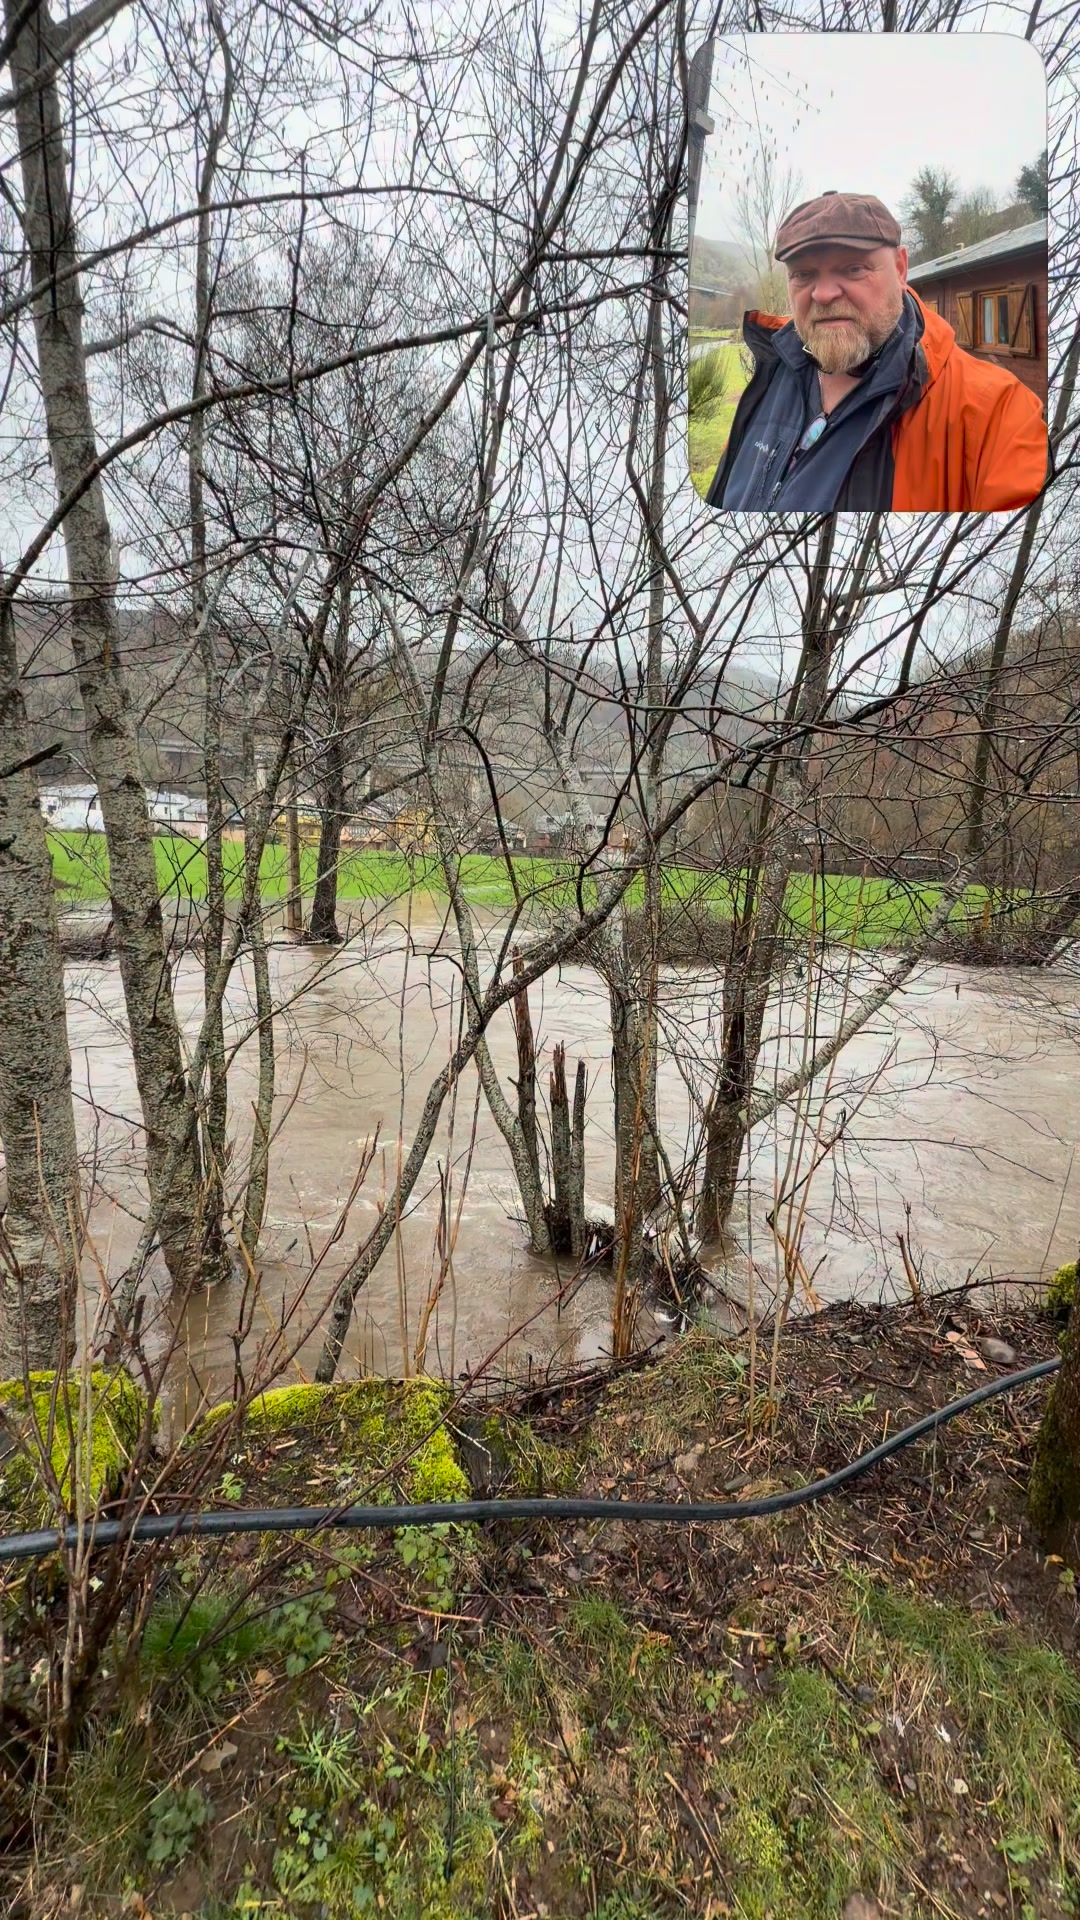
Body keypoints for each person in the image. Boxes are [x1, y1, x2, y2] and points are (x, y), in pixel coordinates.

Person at [705, 190, 1048, 513]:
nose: (823, 293)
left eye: (853, 268)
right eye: (803, 274)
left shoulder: (995, 415)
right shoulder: (773, 370)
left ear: (900, 269)